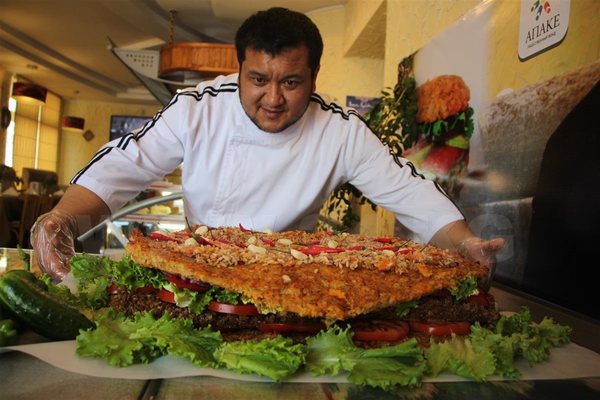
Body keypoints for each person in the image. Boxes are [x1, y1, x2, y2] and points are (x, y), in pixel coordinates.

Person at [31, 7, 504, 281]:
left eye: (292, 82)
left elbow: (411, 192)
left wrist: (466, 244)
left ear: (315, 77)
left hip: (293, 277)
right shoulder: (197, 108)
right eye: (257, 80)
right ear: (237, 70)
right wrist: (63, 220)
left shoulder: (339, 131)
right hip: (201, 273)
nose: (272, 99)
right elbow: (122, 168)